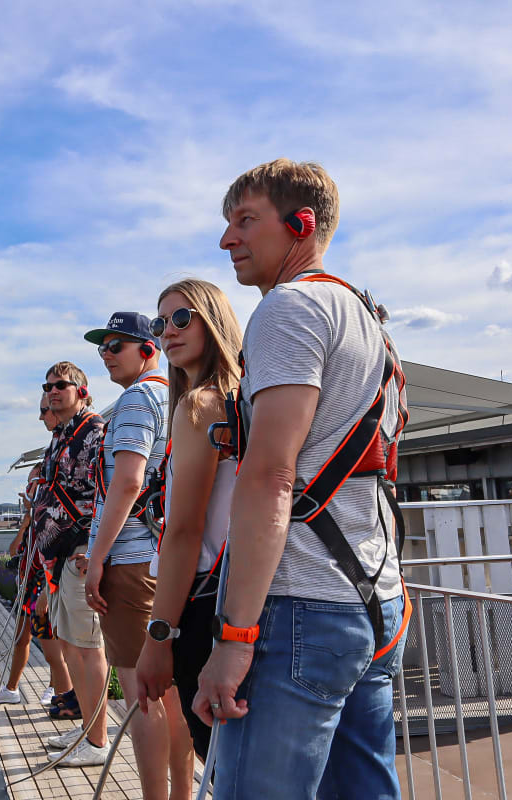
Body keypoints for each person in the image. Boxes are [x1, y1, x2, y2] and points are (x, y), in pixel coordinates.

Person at [194, 159, 408, 799]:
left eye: (245, 220)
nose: (227, 239)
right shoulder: (370, 323)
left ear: (301, 224)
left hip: (299, 611)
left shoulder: (291, 309)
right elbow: (376, 472)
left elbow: (270, 476)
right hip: (372, 601)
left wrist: (233, 638)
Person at [79, 311, 190, 796]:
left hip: (131, 561)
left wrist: (98, 556)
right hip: (168, 557)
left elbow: (127, 481)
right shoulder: (177, 395)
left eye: (115, 345)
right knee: (173, 695)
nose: (105, 353)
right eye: (101, 346)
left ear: (148, 349)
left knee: (140, 695)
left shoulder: (138, 398)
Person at [132, 280, 243, 765]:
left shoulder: (199, 406)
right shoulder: (242, 400)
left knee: (219, 761)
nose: (168, 332)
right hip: (243, 602)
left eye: (183, 318)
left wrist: (159, 638)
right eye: (160, 323)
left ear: (213, 322)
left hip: (202, 604)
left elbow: (183, 532)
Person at [34, 361, 107, 767]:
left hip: (80, 553)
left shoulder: (94, 433)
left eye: (62, 385)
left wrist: (94, 548)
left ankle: (96, 742)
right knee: (72, 646)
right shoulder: (63, 436)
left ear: (82, 390)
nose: (53, 391)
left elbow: (110, 491)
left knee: (87, 647)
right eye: (48, 386)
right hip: (62, 554)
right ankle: (86, 729)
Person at [0, 399, 73, 707]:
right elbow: (34, 523)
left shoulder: (64, 462)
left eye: (45, 410)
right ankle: (13, 688)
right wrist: (24, 526)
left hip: (48, 571)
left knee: (52, 642)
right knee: (25, 634)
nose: (40, 417)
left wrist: (50, 589)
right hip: (33, 569)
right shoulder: (42, 468)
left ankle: (61, 695)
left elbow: (58, 520)